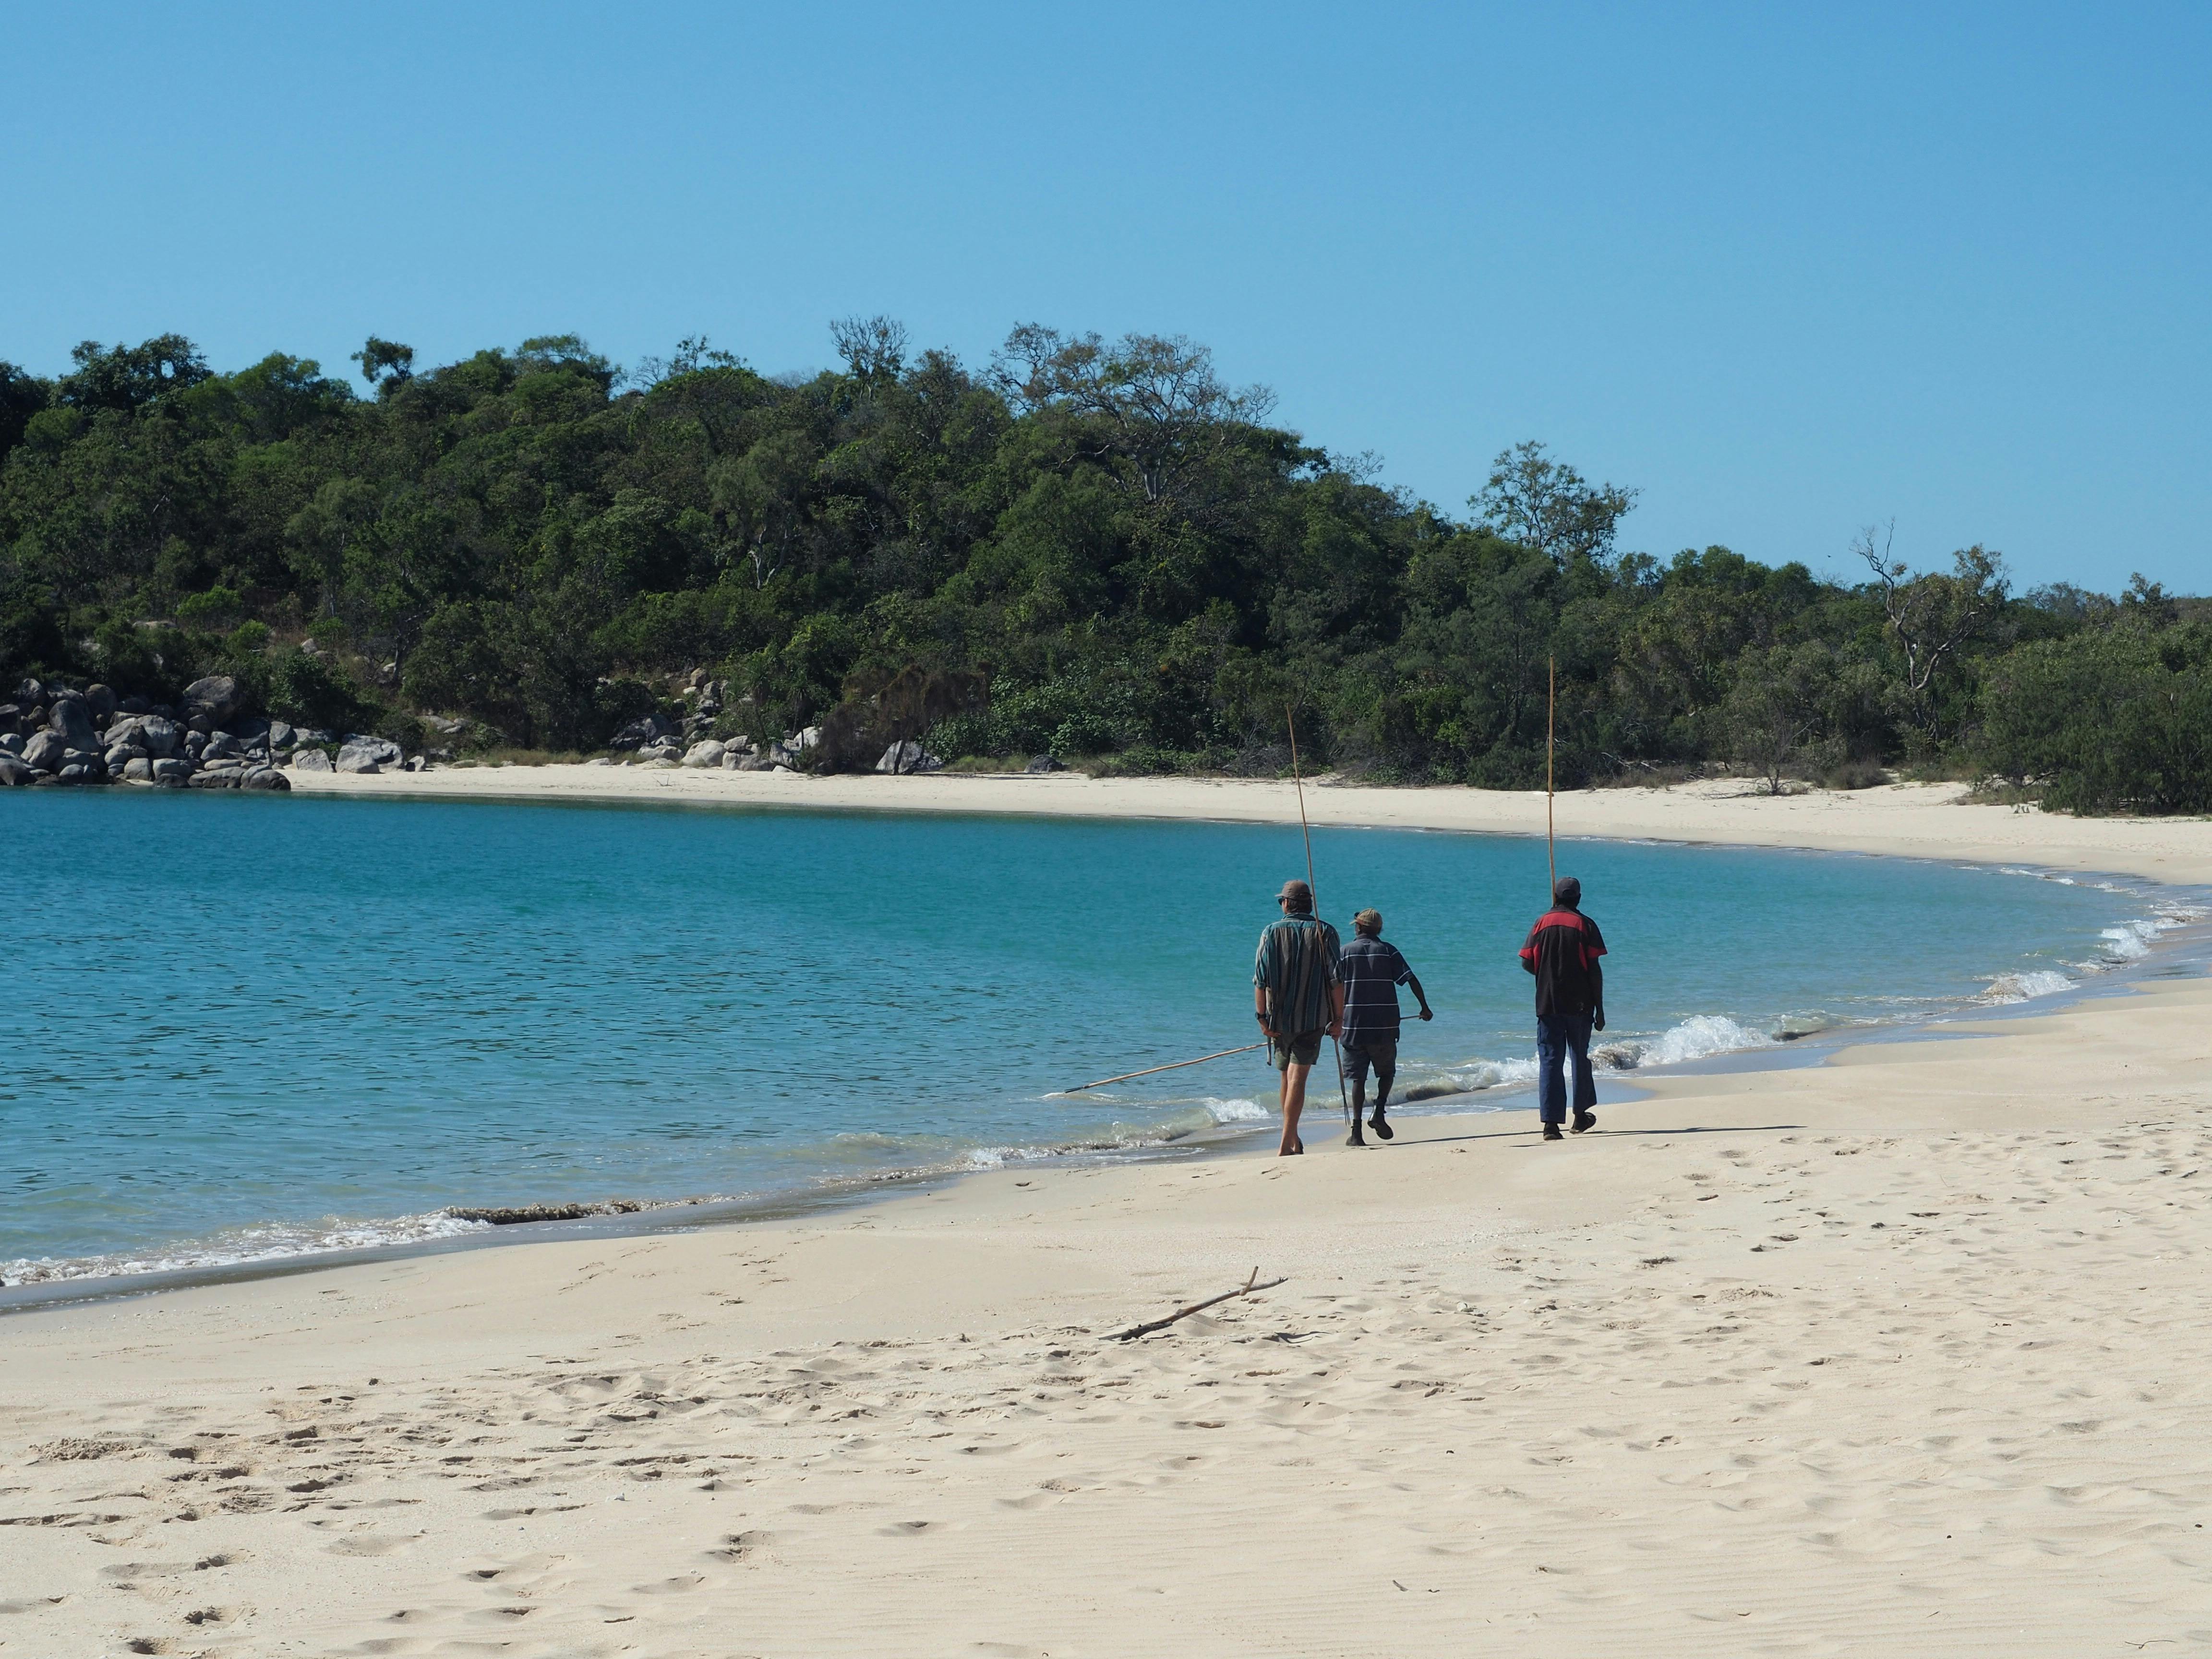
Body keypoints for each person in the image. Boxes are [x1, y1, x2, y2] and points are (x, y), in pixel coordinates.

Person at [1253, 878, 1343, 1156]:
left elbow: (1260, 980)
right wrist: (1339, 1018)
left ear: (1288, 904)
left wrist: (1261, 1018)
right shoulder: (1324, 932)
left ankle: (1291, 1139)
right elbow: (1336, 981)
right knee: (1296, 1079)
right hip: (1313, 1017)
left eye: (1282, 900)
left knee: (1286, 1078)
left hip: (1279, 1018)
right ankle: (1287, 1141)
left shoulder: (1270, 932)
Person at [1518, 876, 1607, 1142]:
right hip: (1579, 1003)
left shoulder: (1541, 922)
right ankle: (1580, 1115)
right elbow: (1594, 970)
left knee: (1550, 1061)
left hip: (1547, 1002)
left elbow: (1525, 961)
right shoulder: (1585, 924)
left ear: (1555, 897)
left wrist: (1544, 972)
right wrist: (1600, 1009)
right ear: (1578, 898)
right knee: (1579, 1057)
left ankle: (1551, 1125)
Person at [1337, 908, 1432, 1147]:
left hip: (1353, 1026)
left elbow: (1332, 987)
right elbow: (1411, 979)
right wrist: (1425, 1007)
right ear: (1379, 929)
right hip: (1385, 1026)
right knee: (1387, 1073)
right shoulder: (1388, 951)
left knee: (1358, 1079)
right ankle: (1379, 1111)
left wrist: (1330, 1018)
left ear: (1358, 928)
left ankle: (1357, 1133)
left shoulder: (1345, 953)